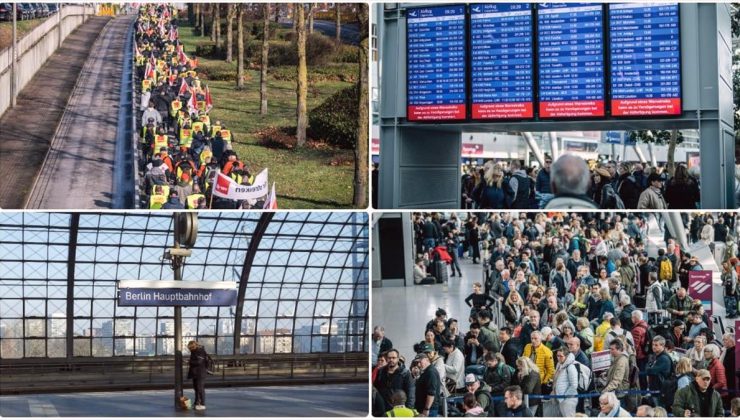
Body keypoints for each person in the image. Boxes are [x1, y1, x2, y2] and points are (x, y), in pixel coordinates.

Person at [550, 347, 578, 417]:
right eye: (557, 356)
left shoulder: (571, 367)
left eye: (561, 356)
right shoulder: (559, 365)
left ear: (566, 356)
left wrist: (565, 397)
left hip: (568, 400)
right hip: (560, 398)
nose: (558, 358)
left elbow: (574, 385)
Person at [414, 352, 441, 417]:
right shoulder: (426, 371)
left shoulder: (430, 372)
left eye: (420, 362)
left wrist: (426, 409)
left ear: (427, 359)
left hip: (429, 409)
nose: (418, 365)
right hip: (424, 408)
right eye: (417, 363)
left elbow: (431, 393)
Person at [186, 340, 208, 410]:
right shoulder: (195, 351)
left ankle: (202, 404)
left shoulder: (200, 351)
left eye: (190, 348)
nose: (189, 350)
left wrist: (189, 362)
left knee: (200, 388)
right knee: (196, 388)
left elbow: (199, 362)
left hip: (200, 373)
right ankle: (196, 402)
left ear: (193, 346)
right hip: (196, 373)